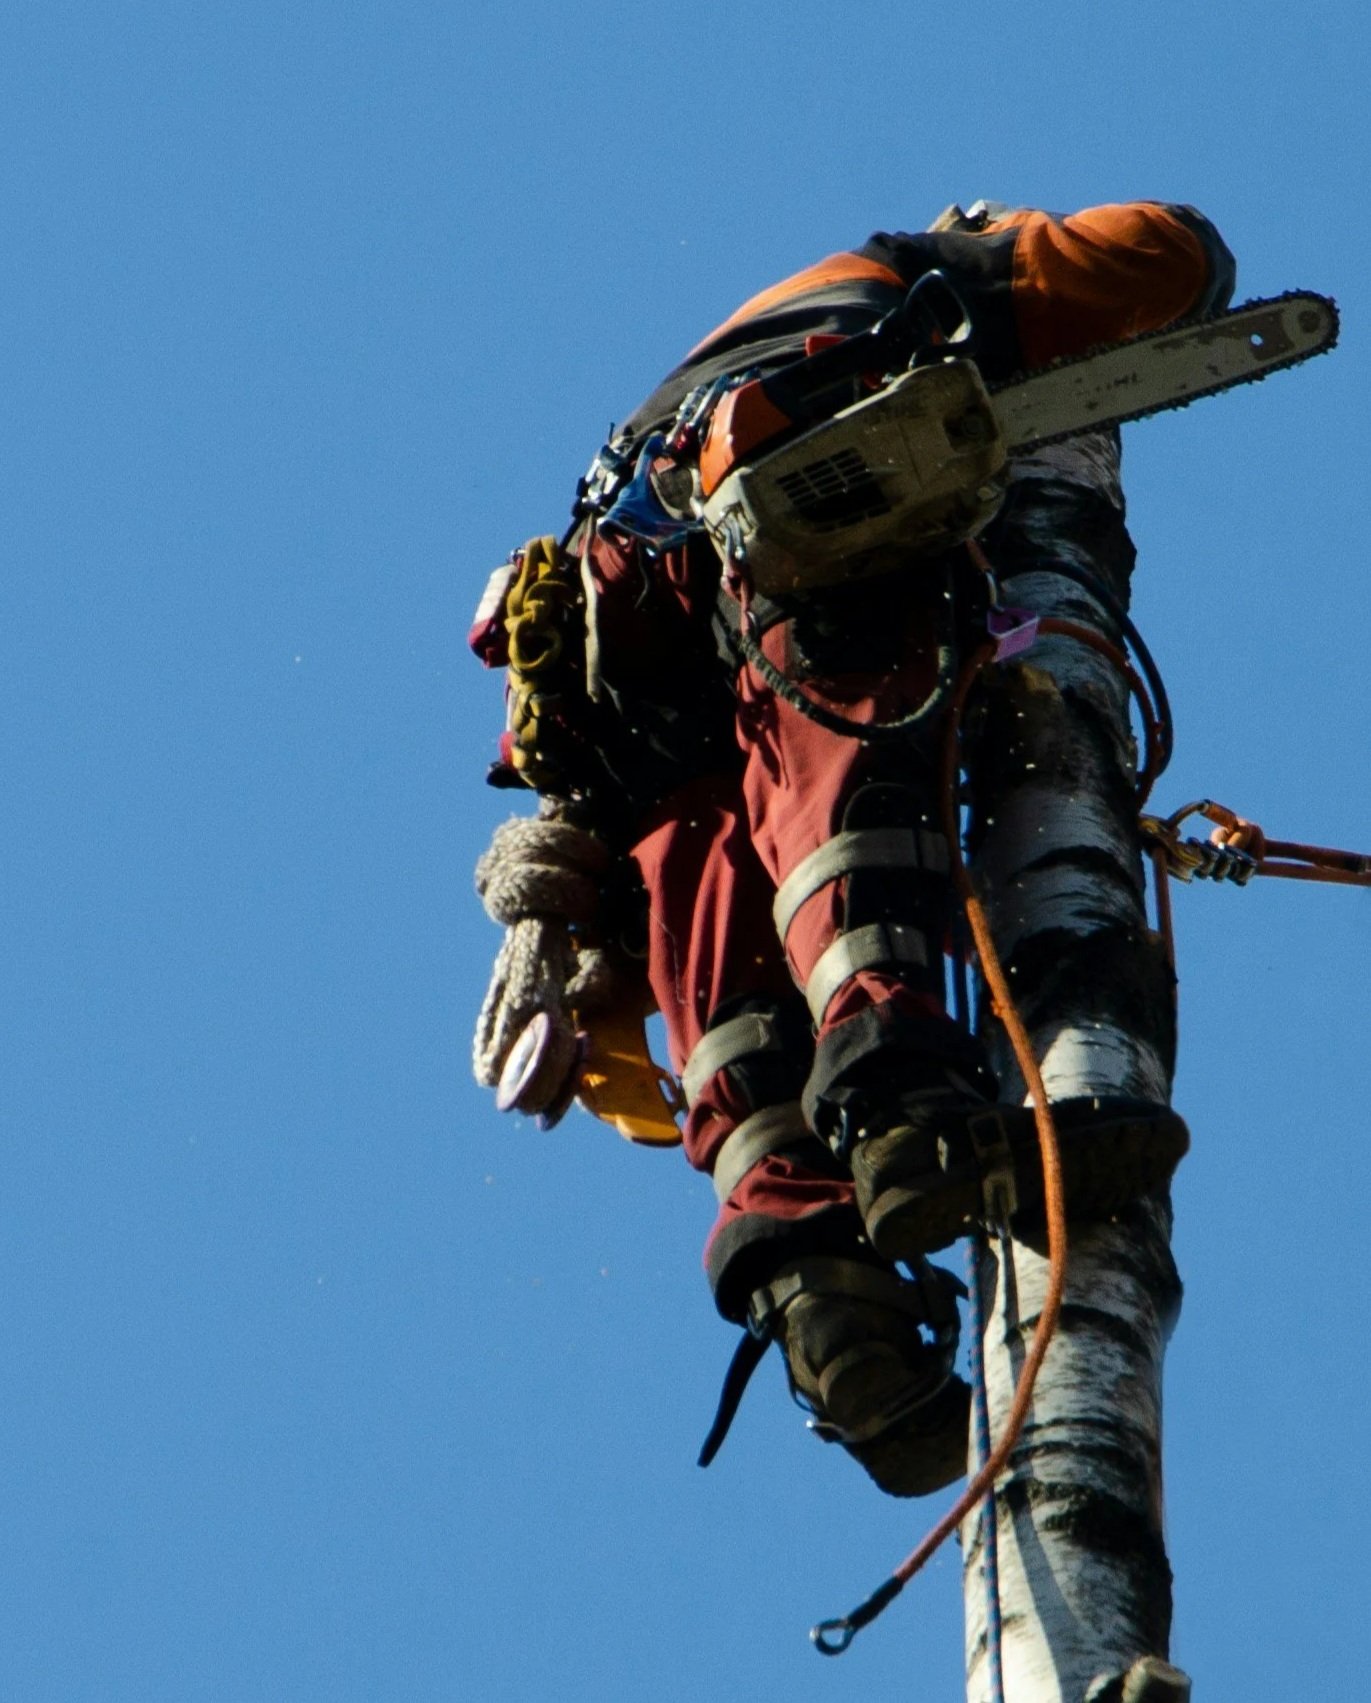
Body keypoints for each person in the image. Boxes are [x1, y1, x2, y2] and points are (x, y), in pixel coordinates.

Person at [472, 201, 1236, 1496]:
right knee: (848, 774)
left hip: (625, 599)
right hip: (789, 495)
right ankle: (907, 1119)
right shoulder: (925, 274)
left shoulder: (691, 375)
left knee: (706, 870)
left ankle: (819, 1290)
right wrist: (1010, 246)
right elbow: (1167, 260)